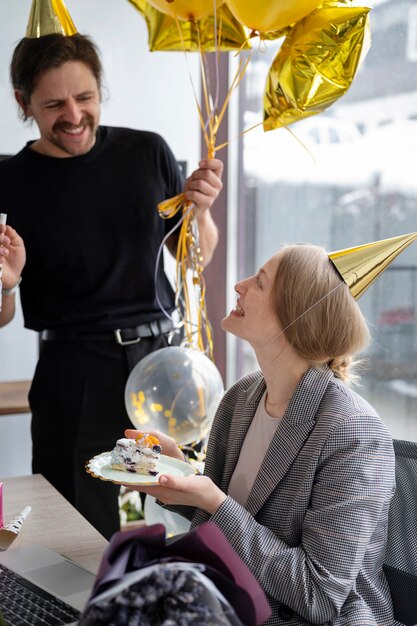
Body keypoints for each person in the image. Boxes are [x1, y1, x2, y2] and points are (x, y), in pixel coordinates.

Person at [0, 28, 223, 540]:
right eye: (55, 103)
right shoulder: (8, 182)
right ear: (22, 102)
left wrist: (203, 213)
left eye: (85, 98)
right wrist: (7, 284)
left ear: (101, 92)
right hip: (73, 372)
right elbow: (1, 313)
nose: (74, 116)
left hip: (162, 362)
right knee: (77, 532)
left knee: (185, 513)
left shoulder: (147, 153)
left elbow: (193, 258)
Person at [125, 243, 396, 626]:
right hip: (228, 596)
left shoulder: (353, 432)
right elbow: (227, 515)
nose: (239, 285)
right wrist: (180, 474)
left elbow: (318, 596)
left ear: (295, 316)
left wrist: (215, 503)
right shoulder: (241, 398)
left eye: (260, 283)